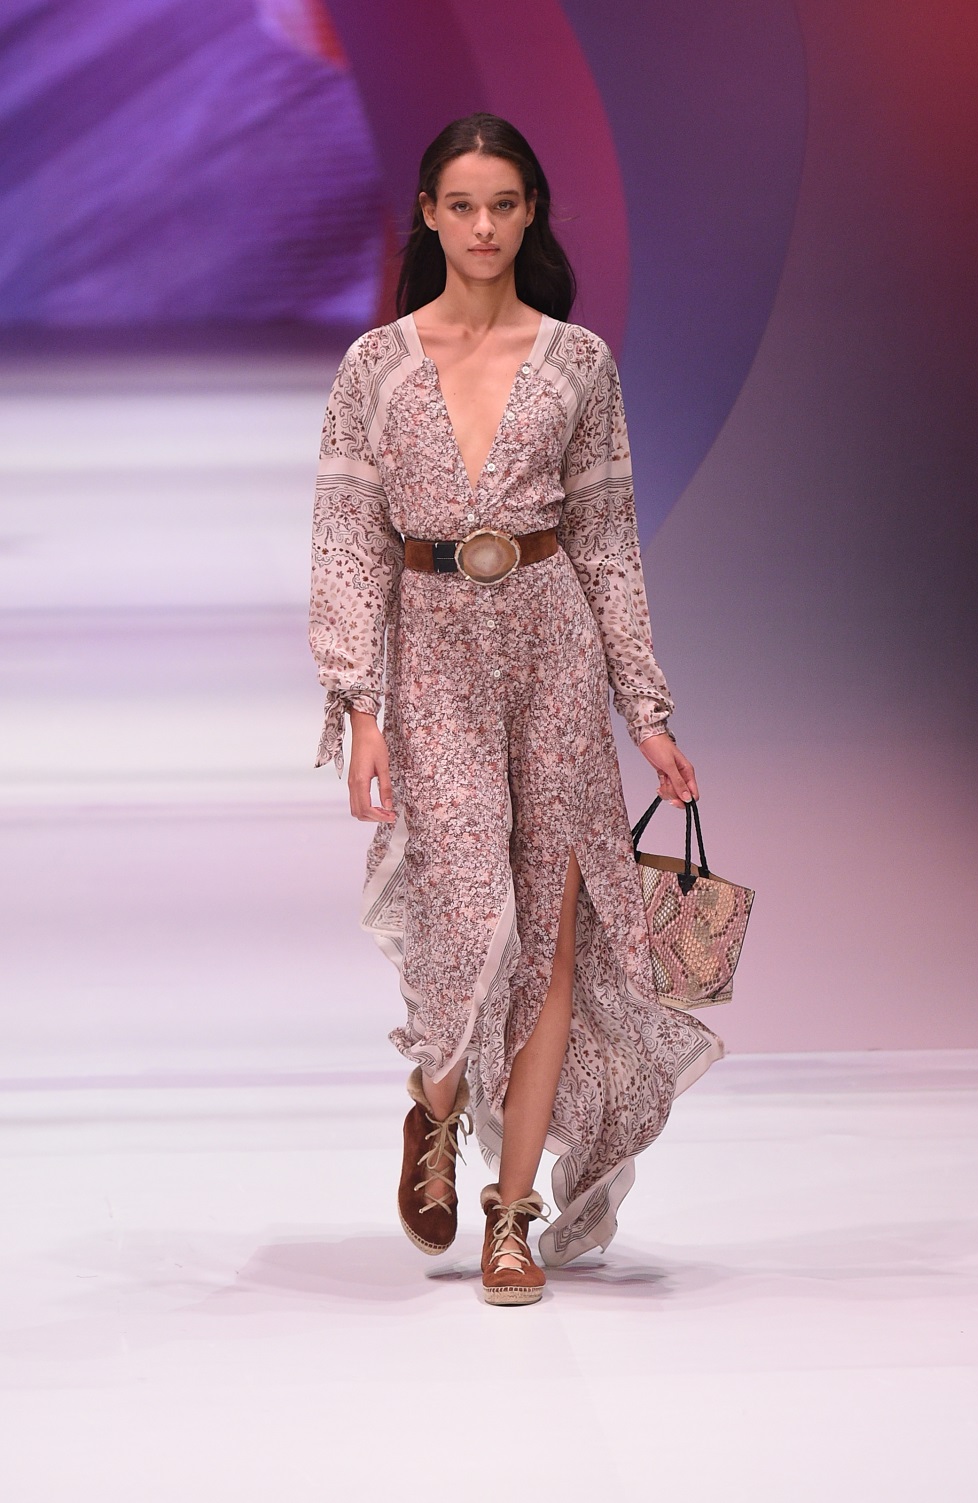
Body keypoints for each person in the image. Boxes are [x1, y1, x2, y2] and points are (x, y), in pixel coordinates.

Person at [309, 113, 723, 1307]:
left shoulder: (578, 362)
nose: (483, 226)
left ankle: (511, 1213)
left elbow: (606, 542)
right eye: (462, 205)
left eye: (503, 204)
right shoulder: (376, 366)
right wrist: (359, 703)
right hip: (431, 649)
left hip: (553, 652)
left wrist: (646, 710)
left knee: (548, 937)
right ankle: (437, 1106)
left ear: (530, 210)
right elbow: (347, 538)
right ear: (428, 216)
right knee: (466, 913)